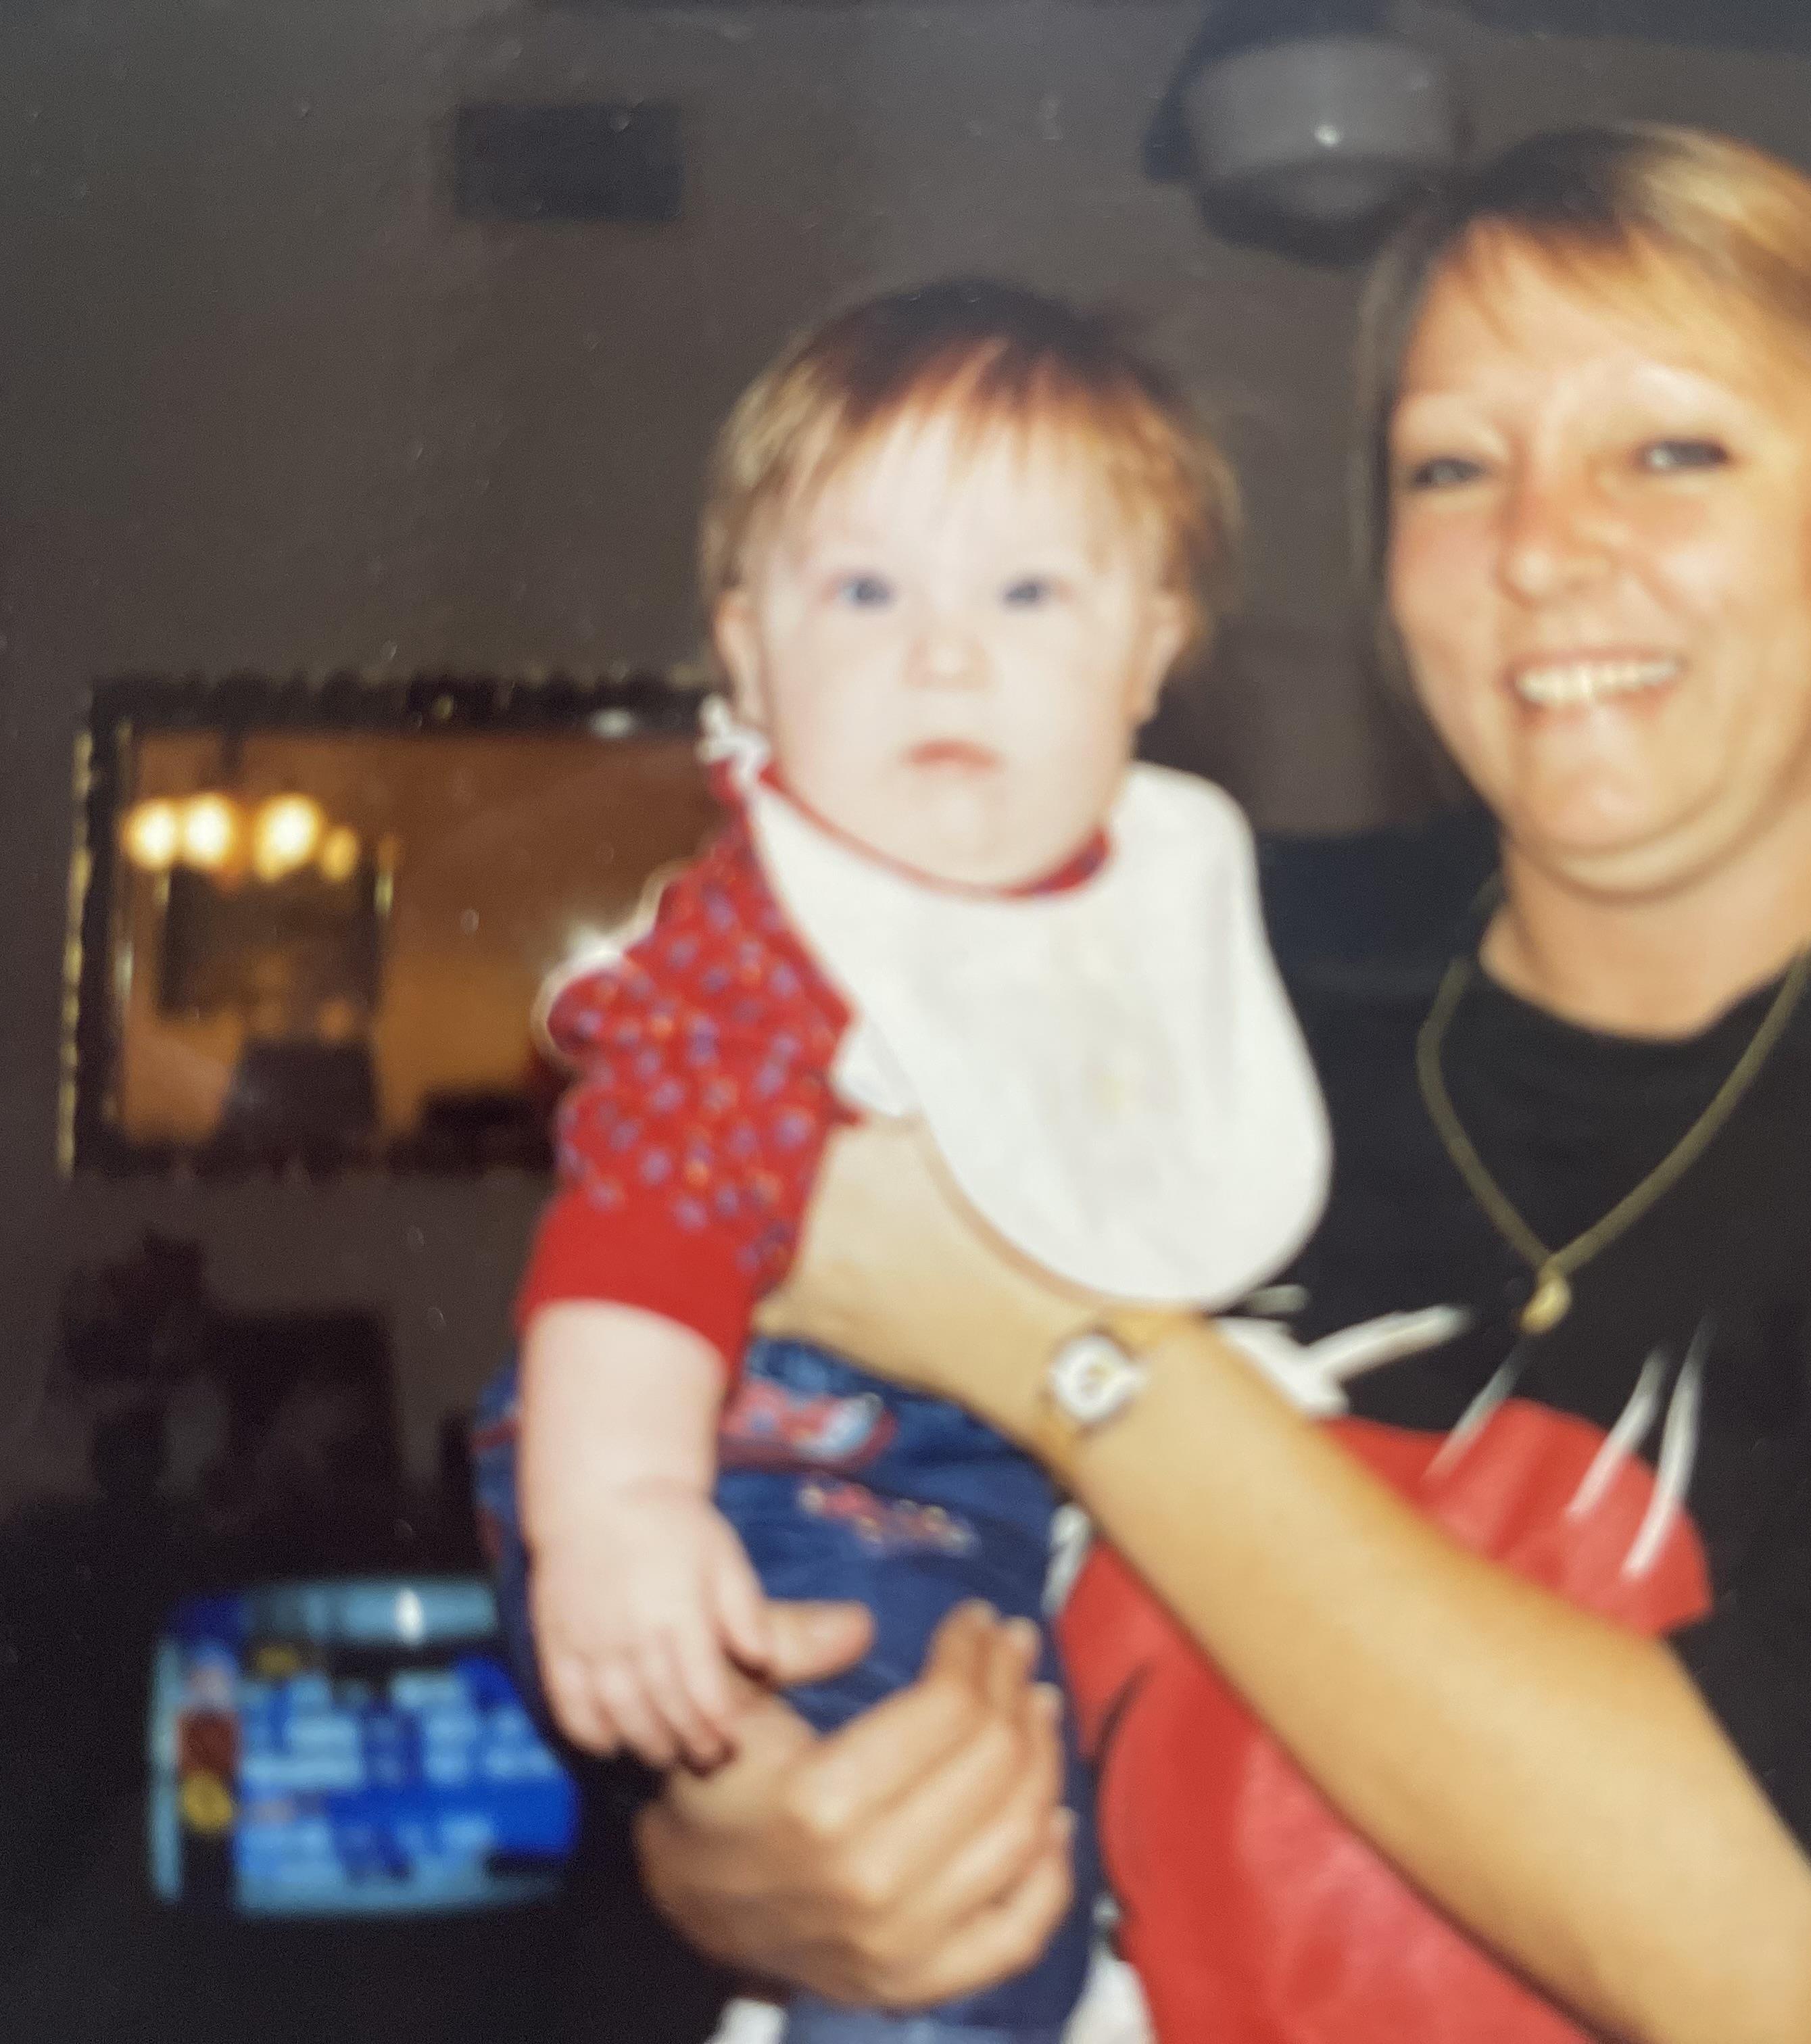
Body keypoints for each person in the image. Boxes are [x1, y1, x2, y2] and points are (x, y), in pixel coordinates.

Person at [631, 128, 1811, 2043]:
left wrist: (1061, 1347)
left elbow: (1800, 1974)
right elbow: (754, 1460)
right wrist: (736, 1851)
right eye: (1453, 468)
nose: (1544, 547)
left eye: (1673, 450)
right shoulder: (1178, 969)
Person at [475, 278, 1330, 2044]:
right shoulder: (765, 940)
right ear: (746, 650)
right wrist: (621, 1510)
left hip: (976, 1489)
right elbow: (642, 1232)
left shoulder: (1152, 906)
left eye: (1029, 591)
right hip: (744, 1445)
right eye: (865, 591)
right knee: (957, 1900)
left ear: (1157, 642)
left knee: (1055, 1859)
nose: (945, 652)